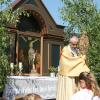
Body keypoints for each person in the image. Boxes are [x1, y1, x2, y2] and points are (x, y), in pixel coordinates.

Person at [56, 35, 90, 100]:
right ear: (69, 42)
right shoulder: (65, 49)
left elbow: (79, 61)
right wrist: (80, 59)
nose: (75, 46)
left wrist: (82, 59)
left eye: (76, 44)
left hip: (75, 75)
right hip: (67, 76)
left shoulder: (77, 50)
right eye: (73, 44)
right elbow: (66, 63)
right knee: (69, 94)